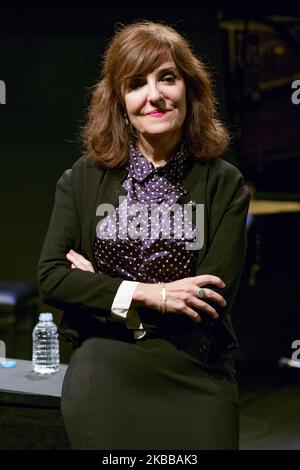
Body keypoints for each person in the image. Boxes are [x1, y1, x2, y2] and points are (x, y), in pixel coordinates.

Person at [37, 20, 250, 450]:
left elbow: (207, 299)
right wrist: (147, 293)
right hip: (106, 373)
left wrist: (98, 286)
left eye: (167, 78)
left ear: (189, 89)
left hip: (196, 373)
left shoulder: (226, 184)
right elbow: (53, 279)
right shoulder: (83, 179)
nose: (154, 95)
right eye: (136, 84)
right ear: (120, 100)